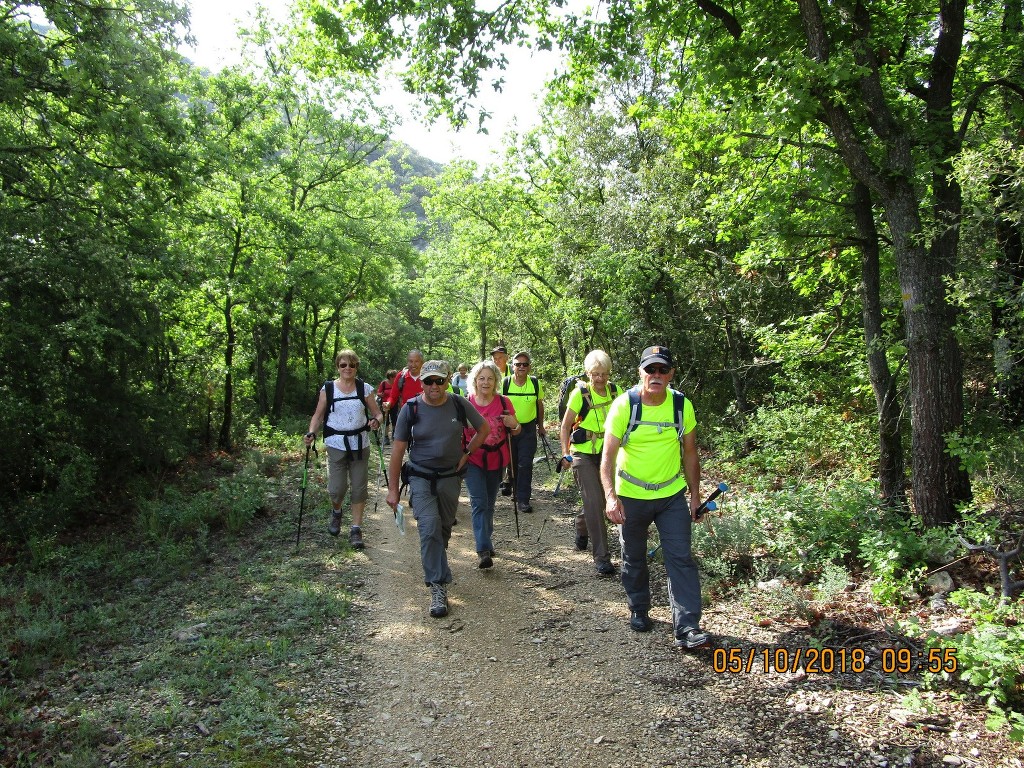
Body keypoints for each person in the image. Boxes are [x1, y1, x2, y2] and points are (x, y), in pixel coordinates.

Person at [600, 345, 709, 650]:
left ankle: (688, 627)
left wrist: (695, 496)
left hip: (671, 496)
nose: (657, 375)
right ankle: (638, 607)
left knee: (681, 559)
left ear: (671, 374)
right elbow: (607, 458)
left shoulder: (681, 405)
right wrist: (611, 498)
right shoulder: (625, 406)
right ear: (641, 372)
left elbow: (690, 453)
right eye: (651, 369)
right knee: (633, 556)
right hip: (630, 496)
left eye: (663, 370)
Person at [387, 360, 489, 618]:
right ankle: (437, 586)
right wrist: (392, 490)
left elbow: (484, 428)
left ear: (447, 381)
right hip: (420, 477)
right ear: (421, 382)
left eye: (439, 380)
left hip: (450, 478)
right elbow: (398, 451)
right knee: (429, 526)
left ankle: (436, 565)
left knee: (442, 529)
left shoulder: (458, 403)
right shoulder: (411, 409)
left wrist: (467, 454)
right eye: (429, 381)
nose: (434, 386)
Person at [305, 350, 384, 550]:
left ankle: (356, 529)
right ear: (338, 367)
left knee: (359, 488)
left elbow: (377, 413)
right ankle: (337, 512)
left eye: (352, 365)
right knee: (337, 489)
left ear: (356, 367)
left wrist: (375, 421)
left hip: (360, 443)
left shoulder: (364, 388)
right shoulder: (329, 388)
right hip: (336, 444)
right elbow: (318, 415)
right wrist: (311, 432)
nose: (347, 369)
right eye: (343, 365)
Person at [558, 349, 619, 576]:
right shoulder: (579, 394)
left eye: (604, 374)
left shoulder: (617, 392)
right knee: (594, 501)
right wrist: (566, 453)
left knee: (600, 501)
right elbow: (565, 427)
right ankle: (602, 557)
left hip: (608, 454)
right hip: (582, 455)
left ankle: (582, 526)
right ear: (587, 373)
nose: (600, 379)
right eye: (595, 374)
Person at [464, 361, 520, 568]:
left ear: (496, 381)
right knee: (479, 502)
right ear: (475, 381)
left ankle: (486, 538)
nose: (485, 382)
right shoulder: (466, 403)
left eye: (490, 378)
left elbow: (516, 431)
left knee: (489, 503)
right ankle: (483, 549)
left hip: (497, 459)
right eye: (481, 378)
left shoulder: (504, 403)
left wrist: (514, 424)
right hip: (473, 459)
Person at [501, 351, 545, 513]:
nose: (521, 367)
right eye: (518, 364)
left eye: (524, 364)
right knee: (512, 462)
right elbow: (498, 405)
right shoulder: (505, 383)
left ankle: (523, 499)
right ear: (512, 367)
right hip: (508, 429)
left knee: (525, 464)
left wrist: (541, 426)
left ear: (529, 367)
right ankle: (514, 487)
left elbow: (539, 405)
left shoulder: (534, 383)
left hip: (528, 429)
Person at [383, 349, 425, 415]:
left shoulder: (427, 377)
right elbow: (393, 396)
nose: (413, 365)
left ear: (422, 362)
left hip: (424, 415)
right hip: (406, 415)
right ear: (407, 362)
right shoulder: (401, 376)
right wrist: (388, 403)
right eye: (411, 361)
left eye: (416, 361)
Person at [377, 369, 399, 444]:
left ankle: (394, 435)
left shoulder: (397, 384)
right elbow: (378, 393)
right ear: (390, 377)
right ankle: (386, 437)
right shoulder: (384, 383)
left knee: (394, 420)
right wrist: (381, 394)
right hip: (384, 404)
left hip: (394, 404)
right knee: (385, 421)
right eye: (393, 377)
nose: (395, 378)